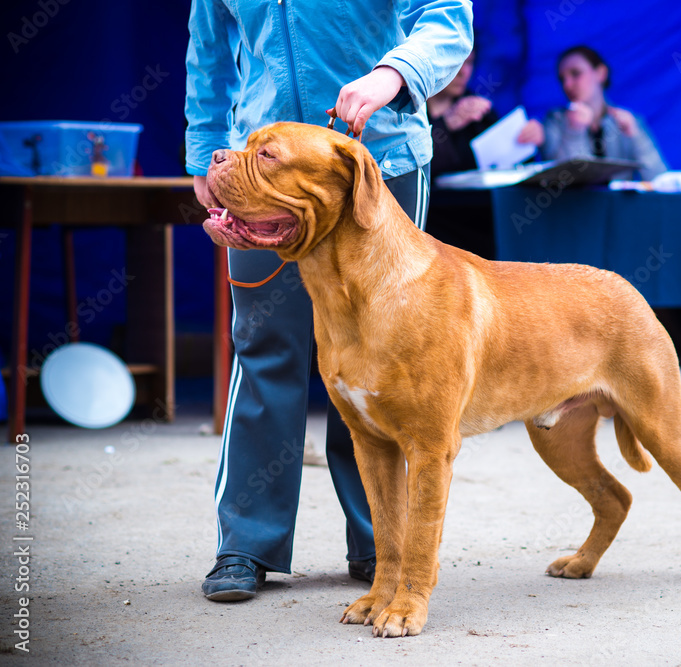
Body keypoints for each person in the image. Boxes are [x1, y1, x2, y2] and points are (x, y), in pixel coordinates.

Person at [185, 0, 473, 601]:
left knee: (387, 363)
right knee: (264, 351)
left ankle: (379, 544)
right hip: (258, 173)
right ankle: (246, 544)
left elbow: (449, 21)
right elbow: (208, 57)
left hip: (376, 165)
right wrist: (206, 153)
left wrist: (390, 74)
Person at [519, 45, 681, 379]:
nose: (569, 84)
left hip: (627, 229)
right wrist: (576, 130)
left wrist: (635, 135)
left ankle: (678, 348)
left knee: (662, 259)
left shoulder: (626, 120)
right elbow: (567, 175)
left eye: (576, 73)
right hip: (575, 226)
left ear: (601, 74)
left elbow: (659, 176)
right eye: (562, 78)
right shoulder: (556, 122)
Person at [424, 51, 500, 259]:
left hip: (477, 219)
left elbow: (506, 164)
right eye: (456, 62)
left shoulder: (477, 110)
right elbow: (408, 165)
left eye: (470, 62)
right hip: (430, 221)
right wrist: (446, 125)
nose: (463, 72)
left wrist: (526, 139)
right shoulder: (411, 109)